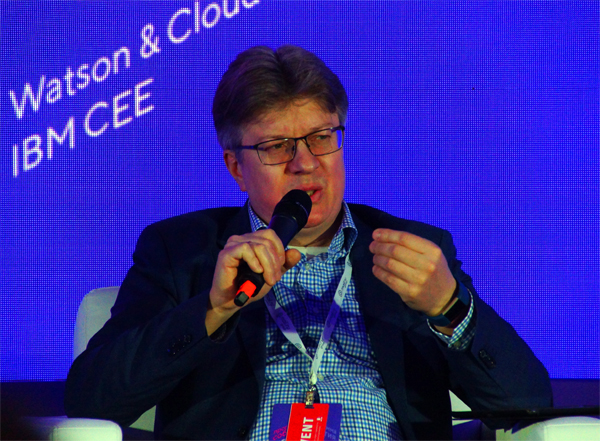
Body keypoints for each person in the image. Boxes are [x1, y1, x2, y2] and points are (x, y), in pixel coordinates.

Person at [65, 45, 552, 440]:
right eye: (277, 147)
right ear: (236, 168)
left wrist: (449, 307)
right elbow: (90, 401)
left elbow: (528, 402)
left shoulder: (414, 251)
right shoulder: (181, 251)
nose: (305, 163)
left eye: (321, 137)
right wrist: (213, 310)